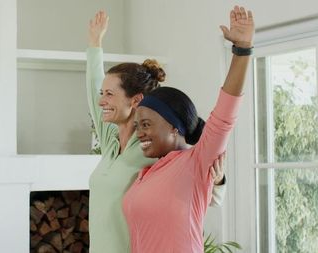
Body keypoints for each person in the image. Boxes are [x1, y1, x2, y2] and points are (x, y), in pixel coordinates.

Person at [87, 10, 228, 253]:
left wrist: (218, 181)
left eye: (110, 94)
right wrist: (94, 45)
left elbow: (197, 182)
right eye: (103, 94)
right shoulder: (110, 141)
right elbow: (92, 92)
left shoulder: (151, 148)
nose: (102, 101)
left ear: (136, 100)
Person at [122, 6, 254, 252]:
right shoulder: (147, 173)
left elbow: (225, 114)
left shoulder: (194, 162)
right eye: (138, 125)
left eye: (146, 124)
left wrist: (242, 51)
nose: (139, 132)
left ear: (174, 126)